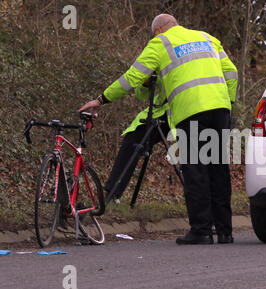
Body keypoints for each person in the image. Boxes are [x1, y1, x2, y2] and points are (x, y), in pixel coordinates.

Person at [79, 14, 238, 245]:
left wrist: (101, 100)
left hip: (191, 109)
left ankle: (202, 231)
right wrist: (229, 104)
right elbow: (231, 72)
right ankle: (225, 232)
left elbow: (132, 78)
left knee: (196, 171)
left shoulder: (160, 43)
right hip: (220, 108)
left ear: (158, 31)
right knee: (218, 170)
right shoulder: (206, 37)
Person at [104, 81, 171, 203]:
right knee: (133, 140)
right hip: (163, 111)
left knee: (198, 157)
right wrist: (145, 84)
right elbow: (140, 94)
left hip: (196, 111)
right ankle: (112, 194)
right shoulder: (162, 61)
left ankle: (208, 204)